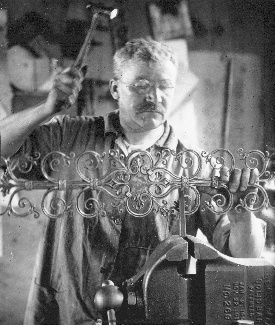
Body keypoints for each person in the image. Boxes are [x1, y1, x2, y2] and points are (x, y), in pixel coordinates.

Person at [0, 39, 265, 324]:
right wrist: (46, 108)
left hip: (145, 316)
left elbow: (243, 258)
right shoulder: (70, 136)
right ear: (115, 89)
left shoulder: (195, 167)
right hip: (65, 310)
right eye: (140, 85)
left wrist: (242, 216)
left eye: (164, 86)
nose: (153, 95)